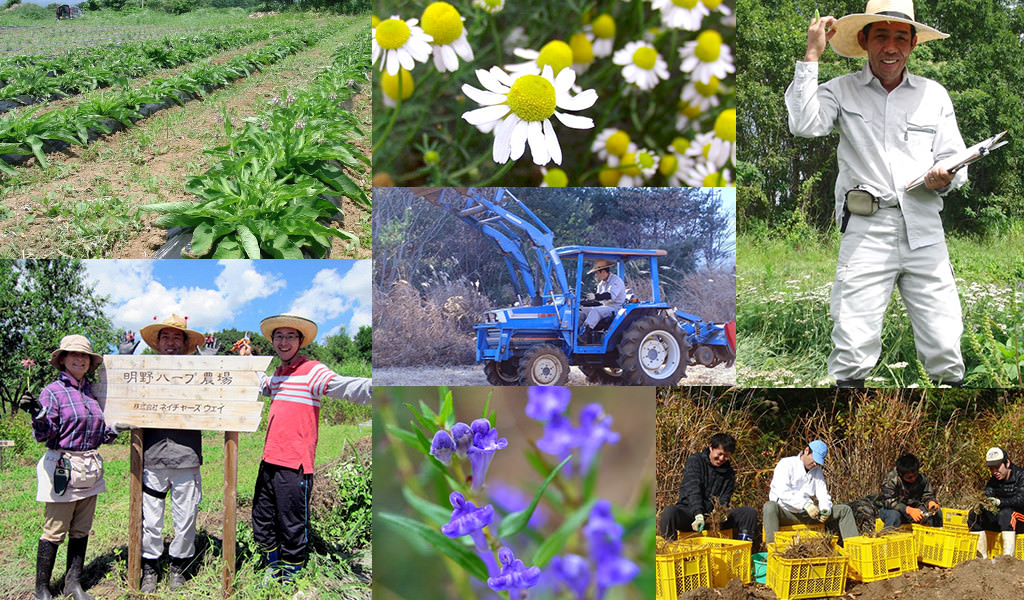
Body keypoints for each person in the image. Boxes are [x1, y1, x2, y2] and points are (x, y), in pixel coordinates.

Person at [785, 0, 968, 387]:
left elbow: (957, 159)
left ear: (913, 44)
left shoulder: (934, 95)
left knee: (944, 344)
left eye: (900, 37)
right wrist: (812, 54)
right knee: (852, 344)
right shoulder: (841, 91)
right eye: (881, 36)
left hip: (924, 227)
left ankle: (943, 414)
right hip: (866, 228)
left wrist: (946, 176)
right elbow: (803, 124)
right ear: (864, 41)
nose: (891, 47)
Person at [253, 314, 372, 583]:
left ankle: (291, 575)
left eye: (290, 336)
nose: (284, 342)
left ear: (300, 341)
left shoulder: (313, 371)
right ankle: (272, 565)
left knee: (292, 524)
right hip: (268, 460)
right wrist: (245, 360)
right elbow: (262, 384)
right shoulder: (279, 375)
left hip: (295, 465)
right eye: (279, 336)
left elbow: (345, 386)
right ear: (273, 341)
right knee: (262, 518)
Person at [20, 335, 118, 600]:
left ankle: (72, 584)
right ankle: (41, 588)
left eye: (85, 355)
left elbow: (97, 435)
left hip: (90, 467)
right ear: (62, 359)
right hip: (63, 465)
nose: (80, 359)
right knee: (54, 529)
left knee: (81, 529)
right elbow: (44, 435)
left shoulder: (91, 392)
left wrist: (116, 429)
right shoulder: (52, 392)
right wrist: (38, 415)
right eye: (73, 354)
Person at [133, 314, 208, 593]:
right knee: (150, 519)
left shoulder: (198, 373)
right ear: (158, 342)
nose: (171, 342)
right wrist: (123, 359)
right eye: (166, 336)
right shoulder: (143, 371)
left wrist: (208, 362)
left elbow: (219, 400)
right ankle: (150, 567)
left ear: (186, 342)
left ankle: (178, 565)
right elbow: (124, 395)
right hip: (152, 456)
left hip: (186, 455)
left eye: (178, 337)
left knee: (186, 517)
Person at [657, 433, 758, 547]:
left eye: (726, 456)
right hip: (691, 514)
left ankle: (744, 549)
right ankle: (670, 550)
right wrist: (698, 514)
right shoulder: (695, 461)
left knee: (748, 513)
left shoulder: (729, 473)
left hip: (713, 519)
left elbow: (725, 498)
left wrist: (719, 513)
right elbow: (693, 489)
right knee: (670, 512)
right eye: (719, 454)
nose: (721, 459)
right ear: (711, 447)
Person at [763, 440, 859, 545]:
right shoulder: (786, 464)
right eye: (814, 460)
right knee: (769, 507)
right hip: (786, 513)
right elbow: (782, 491)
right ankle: (772, 550)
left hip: (807, 515)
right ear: (806, 451)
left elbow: (822, 493)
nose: (815, 464)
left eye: (818, 462)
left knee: (844, 510)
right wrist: (805, 504)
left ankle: (854, 548)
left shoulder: (817, 471)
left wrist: (825, 510)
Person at [971, 447, 1024, 558]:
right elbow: (988, 493)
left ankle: (1007, 559)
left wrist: (1000, 502)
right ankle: (981, 558)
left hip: (1019, 516)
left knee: (1007, 514)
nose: (995, 472)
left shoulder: (1021, 476)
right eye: (991, 468)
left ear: (1007, 463)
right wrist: (985, 502)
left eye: (997, 467)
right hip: (1002, 517)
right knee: (975, 514)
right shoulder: (993, 480)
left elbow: (1021, 499)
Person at [879, 453, 942, 528]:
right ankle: (889, 537)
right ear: (900, 474)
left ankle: (935, 536)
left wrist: (931, 503)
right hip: (894, 510)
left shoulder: (922, 478)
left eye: (915, 475)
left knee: (936, 513)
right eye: (909, 477)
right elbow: (888, 501)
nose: (913, 479)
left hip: (915, 509)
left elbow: (927, 495)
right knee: (894, 516)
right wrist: (908, 510)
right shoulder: (891, 480)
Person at [579, 259, 626, 345]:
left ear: (603, 272)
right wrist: (583, 303)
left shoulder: (616, 281)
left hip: (615, 308)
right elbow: (598, 301)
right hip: (604, 307)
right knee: (582, 311)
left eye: (597, 273)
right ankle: (577, 332)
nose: (596, 275)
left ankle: (584, 335)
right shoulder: (601, 284)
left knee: (596, 311)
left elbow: (610, 296)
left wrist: (595, 296)